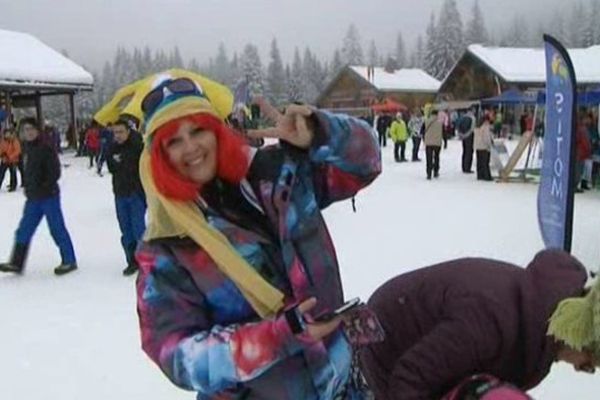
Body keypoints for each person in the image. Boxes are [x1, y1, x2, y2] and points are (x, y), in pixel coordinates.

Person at [134, 74, 381, 399]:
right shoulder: (166, 247)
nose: (191, 147)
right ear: (160, 156)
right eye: (174, 141)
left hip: (341, 386)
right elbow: (176, 355)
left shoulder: (277, 175)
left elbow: (365, 164)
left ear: (217, 131)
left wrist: (321, 133)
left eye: (197, 130)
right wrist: (280, 334)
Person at [359, 249, 596, 400]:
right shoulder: (492, 322)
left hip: (433, 357)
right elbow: (409, 379)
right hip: (385, 343)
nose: (581, 368)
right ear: (577, 337)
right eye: (590, 362)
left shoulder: (537, 319)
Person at [0, 117, 78, 275]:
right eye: (25, 130)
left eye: (31, 129)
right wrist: (28, 186)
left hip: (49, 196)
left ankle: (69, 260)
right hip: (33, 198)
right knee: (24, 230)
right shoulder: (26, 147)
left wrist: (44, 186)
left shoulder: (46, 147)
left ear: (37, 130)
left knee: (57, 229)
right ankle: (16, 262)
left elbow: (55, 172)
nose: (28, 133)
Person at [106, 118, 146, 276]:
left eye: (121, 132)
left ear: (128, 132)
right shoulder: (112, 148)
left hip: (136, 193)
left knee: (138, 229)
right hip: (120, 193)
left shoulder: (138, 147)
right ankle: (131, 260)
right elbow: (111, 168)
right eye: (115, 132)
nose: (118, 135)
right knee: (125, 229)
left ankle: (144, 260)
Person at [424, 110, 443, 180]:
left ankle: (429, 173)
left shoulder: (426, 121)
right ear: (437, 114)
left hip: (428, 143)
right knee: (437, 157)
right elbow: (444, 133)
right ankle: (436, 171)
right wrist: (445, 141)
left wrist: (424, 138)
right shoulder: (440, 122)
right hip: (437, 143)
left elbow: (422, 131)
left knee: (429, 158)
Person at [456, 109, 476, 173]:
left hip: (463, 136)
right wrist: (469, 134)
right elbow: (472, 128)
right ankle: (468, 168)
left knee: (464, 151)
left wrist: (461, 135)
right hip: (469, 136)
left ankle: (464, 167)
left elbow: (458, 126)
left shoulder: (463, 117)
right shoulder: (472, 118)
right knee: (469, 152)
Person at [474, 116, 494, 181]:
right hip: (484, 147)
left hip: (478, 146)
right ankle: (487, 176)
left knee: (479, 162)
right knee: (485, 163)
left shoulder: (477, 127)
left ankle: (480, 175)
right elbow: (486, 137)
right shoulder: (485, 127)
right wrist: (489, 145)